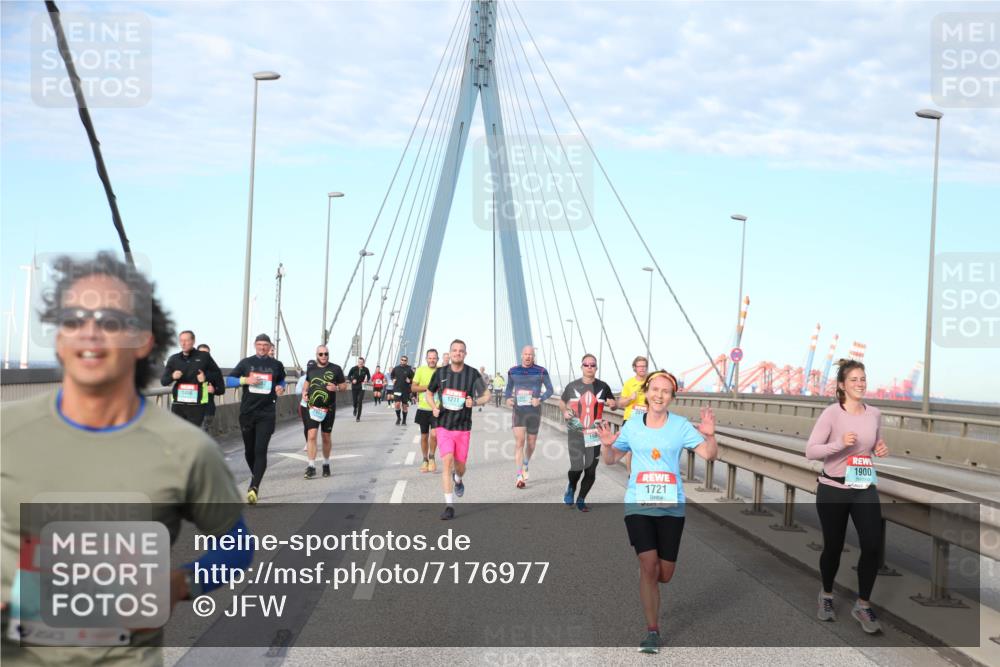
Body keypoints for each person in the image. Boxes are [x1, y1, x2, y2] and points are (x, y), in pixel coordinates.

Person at [1, 252, 251, 665]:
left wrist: (179, 583)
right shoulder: (6, 430)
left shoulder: (187, 450)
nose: (90, 333)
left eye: (111, 321)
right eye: (74, 320)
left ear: (143, 341)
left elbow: (236, 545)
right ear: (59, 339)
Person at [597, 370, 717, 654]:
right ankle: (652, 631)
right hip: (638, 503)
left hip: (671, 506)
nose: (659, 395)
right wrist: (606, 445)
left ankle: (648, 573)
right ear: (647, 392)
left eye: (665, 391)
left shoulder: (680, 425)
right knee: (649, 565)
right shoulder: (632, 426)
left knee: (664, 574)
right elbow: (611, 459)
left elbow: (709, 454)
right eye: (655, 390)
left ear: (672, 397)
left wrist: (711, 436)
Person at [806, 359, 889, 634]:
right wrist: (839, 444)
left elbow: (872, 443)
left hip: (863, 486)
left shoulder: (874, 413)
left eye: (863, 378)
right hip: (833, 488)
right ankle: (826, 594)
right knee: (834, 546)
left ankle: (862, 605)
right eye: (854, 379)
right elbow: (811, 451)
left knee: (873, 545)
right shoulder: (832, 413)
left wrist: (879, 448)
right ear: (842, 385)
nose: (860, 383)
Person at [426, 339, 490, 520]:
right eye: (454, 350)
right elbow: (429, 393)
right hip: (444, 425)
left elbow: (487, 395)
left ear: (465, 354)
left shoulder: (472, 374)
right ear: (450, 352)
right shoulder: (440, 373)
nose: (457, 353)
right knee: (447, 461)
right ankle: (449, 506)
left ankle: (458, 479)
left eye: (461, 351)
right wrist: (433, 407)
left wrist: (474, 402)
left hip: (463, 427)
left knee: (460, 467)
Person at [226, 333, 286, 504]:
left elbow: (281, 381)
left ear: (270, 347)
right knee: (249, 451)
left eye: (265, 345)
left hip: (266, 413)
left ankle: (254, 487)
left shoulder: (276, 365)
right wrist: (246, 380)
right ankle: (256, 475)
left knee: (260, 450)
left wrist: (280, 388)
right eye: (259, 344)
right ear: (255, 345)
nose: (262, 348)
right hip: (248, 412)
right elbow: (229, 381)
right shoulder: (246, 363)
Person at [560, 354, 616, 511]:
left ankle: (581, 499)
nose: (589, 367)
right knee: (577, 467)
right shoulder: (572, 386)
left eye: (592, 365)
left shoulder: (603, 386)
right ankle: (571, 487)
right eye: (586, 364)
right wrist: (564, 411)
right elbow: (562, 402)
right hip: (575, 433)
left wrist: (613, 404)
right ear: (582, 367)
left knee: (590, 470)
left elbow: (612, 403)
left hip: (594, 434)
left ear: (596, 368)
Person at [504, 345, 553, 488]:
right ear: (522, 355)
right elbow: (508, 389)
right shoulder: (513, 371)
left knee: (531, 444)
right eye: (525, 354)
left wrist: (540, 399)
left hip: (534, 412)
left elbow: (550, 389)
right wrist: (507, 398)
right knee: (520, 442)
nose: (528, 356)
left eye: (530, 354)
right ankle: (519, 476)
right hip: (519, 411)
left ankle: (525, 463)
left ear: (533, 356)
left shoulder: (541, 371)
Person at [160, 330, 224, 427]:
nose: (183, 343)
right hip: (178, 405)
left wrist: (205, 378)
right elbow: (164, 382)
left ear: (193, 341)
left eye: (186, 340)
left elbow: (217, 374)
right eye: (181, 340)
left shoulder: (204, 357)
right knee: (178, 434)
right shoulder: (174, 359)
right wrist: (172, 376)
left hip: (197, 406)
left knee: (193, 435)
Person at [302, 346, 347, 479]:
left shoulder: (336, 369)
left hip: (329, 408)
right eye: (321, 354)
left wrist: (336, 387)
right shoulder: (311, 369)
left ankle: (326, 464)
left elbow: (344, 386)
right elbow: (306, 384)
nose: (323, 356)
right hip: (312, 407)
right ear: (317, 355)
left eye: (326, 354)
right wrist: (304, 393)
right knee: (311, 435)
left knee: (326, 437)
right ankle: (311, 466)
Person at [618, 355, 650, 473]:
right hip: (631, 419)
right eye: (639, 366)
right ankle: (630, 474)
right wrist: (630, 398)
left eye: (644, 366)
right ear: (634, 368)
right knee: (630, 448)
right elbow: (621, 403)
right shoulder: (629, 383)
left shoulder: (651, 382)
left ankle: (644, 472)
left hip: (647, 419)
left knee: (646, 447)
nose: (642, 368)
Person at [412, 348, 441, 472]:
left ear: (437, 359)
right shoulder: (420, 370)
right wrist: (429, 387)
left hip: (437, 408)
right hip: (423, 408)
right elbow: (413, 388)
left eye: (434, 358)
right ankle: (425, 460)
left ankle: (432, 457)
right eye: (430, 358)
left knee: (434, 434)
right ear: (426, 359)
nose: (432, 360)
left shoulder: (442, 371)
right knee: (424, 436)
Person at [196, 343, 224, 433]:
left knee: (200, 437)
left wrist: (214, 390)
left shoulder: (215, 371)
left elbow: (221, 390)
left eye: (206, 354)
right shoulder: (189, 368)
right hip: (188, 409)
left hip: (206, 410)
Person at [296, 360, 318, 451]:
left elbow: (297, 392)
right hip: (307, 406)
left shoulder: (319, 378)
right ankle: (309, 442)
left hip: (312, 406)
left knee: (310, 426)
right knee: (309, 426)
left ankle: (310, 442)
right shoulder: (303, 379)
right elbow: (297, 391)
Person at [389, 354, 414, 426]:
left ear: (407, 361)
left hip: (405, 390)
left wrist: (410, 380)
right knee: (397, 404)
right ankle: (398, 418)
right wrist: (393, 379)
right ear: (400, 360)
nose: (403, 361)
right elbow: (392, 375)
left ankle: (404, 420)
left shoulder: (409, 369)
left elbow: (414, 378)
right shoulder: (396, 368)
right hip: (397, 389)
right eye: (402, 360)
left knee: (404, 406)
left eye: (405, 360)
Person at [347, 357, 371, 422]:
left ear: (363, 363)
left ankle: (358, 417)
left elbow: (369, 376)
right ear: (358, 362)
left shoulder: (366, 369)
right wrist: (352, 380)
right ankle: (355, 408)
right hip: (354, 386)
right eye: (359, 362)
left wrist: (366, 380)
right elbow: (348, 376)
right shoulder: (353, 368)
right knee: (355, 401)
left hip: (362, 386)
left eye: (361, 362)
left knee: (360, 401)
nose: (360, 363)